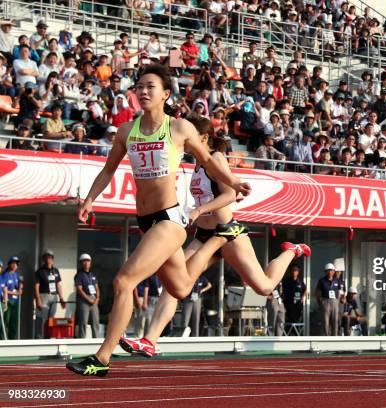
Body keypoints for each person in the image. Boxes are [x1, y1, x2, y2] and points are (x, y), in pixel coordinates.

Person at [66, 64, 251, 376]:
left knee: (124, 281)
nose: (143, 91)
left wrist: (232, 183)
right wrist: (89, 199)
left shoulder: (179, 129)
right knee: (179, 289)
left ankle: (102, 359)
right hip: (146, 221)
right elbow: (109, 169)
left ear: (166, 94)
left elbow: (207, 161)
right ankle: (219, 239)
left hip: (169, 220)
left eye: (151, 86)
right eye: (139, 86)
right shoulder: (127, 131)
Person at [118, 117, 310, 357]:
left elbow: (230, 194)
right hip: (204, 235)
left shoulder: (216, 159)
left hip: (228, 232)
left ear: (204, 138)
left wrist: (199, 210)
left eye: (191, 136)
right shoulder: (195, 165)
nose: (185, 141)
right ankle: (150, 340)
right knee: (175, 284)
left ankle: (292, 250)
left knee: (264, 286)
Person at [34, 250, 66, 339]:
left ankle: (49, 339)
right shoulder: (40, 271)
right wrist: (38, 299)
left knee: (51, 320)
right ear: (43, 259)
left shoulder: (56, 271)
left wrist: (61, 298)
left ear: (52, 259)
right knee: (41, 320)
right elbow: (36, 286)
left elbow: (58, 285)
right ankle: (39, 340)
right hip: (43, 296)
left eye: (50, 257)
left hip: (53, 297)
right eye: (46, 257)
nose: (48, 259)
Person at [74, 253, 101, 338]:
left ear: (90, 263)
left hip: (94, 300)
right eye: (84, 261)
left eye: (88, 261)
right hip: (84, 301)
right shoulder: (79, 275)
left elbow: (97, 287)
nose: (86, 263)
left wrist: (97, 298)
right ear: (81, 263)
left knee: (95, 321)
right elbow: (79, 289)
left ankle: (96, 340)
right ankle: (82, 340)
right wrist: (87, 299)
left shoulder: (93, 275)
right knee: (83, 322)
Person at [316, 263, 340, 336]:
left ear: (334, 271)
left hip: (335, 301)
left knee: (335, 321)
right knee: (325, 321)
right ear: (325, 271)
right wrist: (320, 303)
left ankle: (334, 337)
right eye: (328, 270)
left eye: (331, 270)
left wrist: (337, 301)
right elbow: (318, 292)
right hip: (325, 301)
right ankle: (325, 338)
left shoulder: (336, 280)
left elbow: (339, 291)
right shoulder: (322, 280)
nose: (330, 272)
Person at [2, 256, 22, 339]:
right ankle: (2, 340)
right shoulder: (4, 275)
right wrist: (14, 292)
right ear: (9, 264)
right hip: (7, 301)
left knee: (14, 323)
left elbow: (19, 288)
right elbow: (3, 289)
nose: (15, 265)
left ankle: (12, 341)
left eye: (16, 263)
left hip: (15, 302)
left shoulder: (16, 275)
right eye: (13, 263)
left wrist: (20, 288)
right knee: (5, 322)